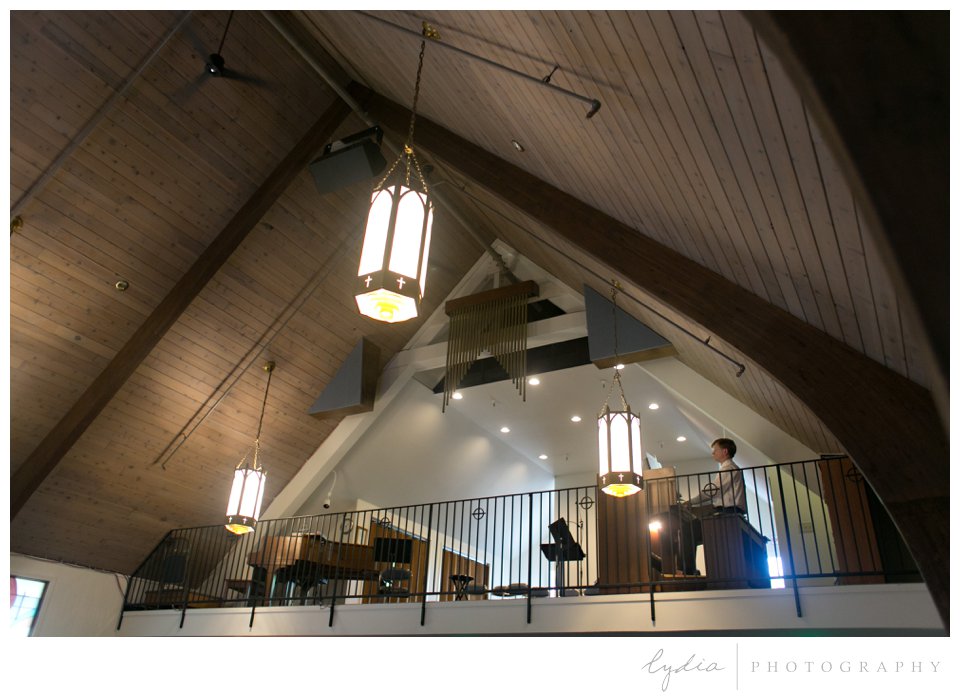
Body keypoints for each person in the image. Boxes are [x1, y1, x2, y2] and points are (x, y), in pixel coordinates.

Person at [686, 438, 747, 515]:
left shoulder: (728, 468)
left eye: (715, 450)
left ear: (725, 451)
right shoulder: (730, 468)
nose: (713, 452)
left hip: (730, 511)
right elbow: (715, 494)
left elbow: (713, 491)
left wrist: (691, 502)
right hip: (730, 510)